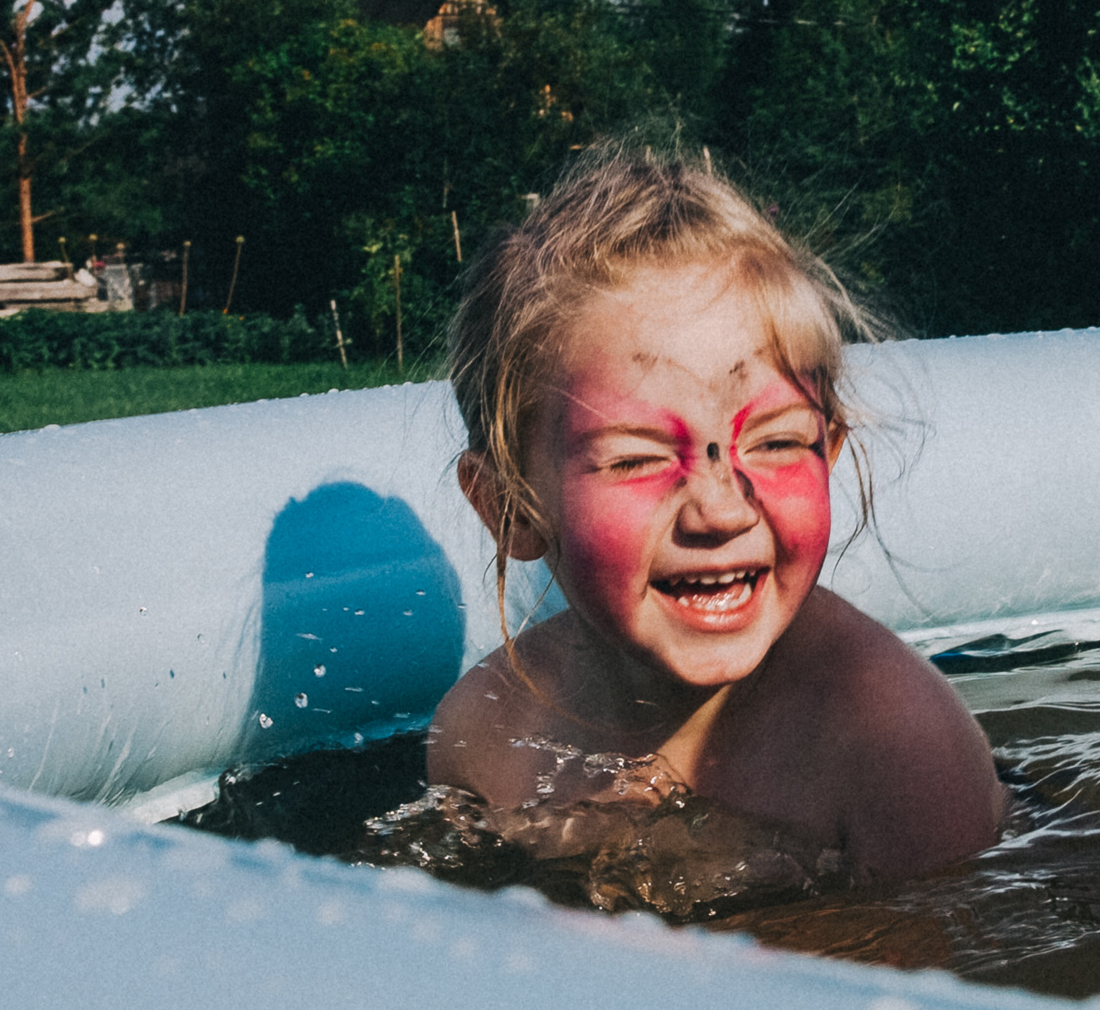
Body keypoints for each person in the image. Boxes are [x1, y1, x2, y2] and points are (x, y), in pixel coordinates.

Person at [428, 148, 1007, 893]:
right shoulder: (483, 739)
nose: (722, 509)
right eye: (636, 458)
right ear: (510, 506)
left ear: (829, 451)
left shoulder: (893, 742)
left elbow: (939, 961)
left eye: (777, 442)